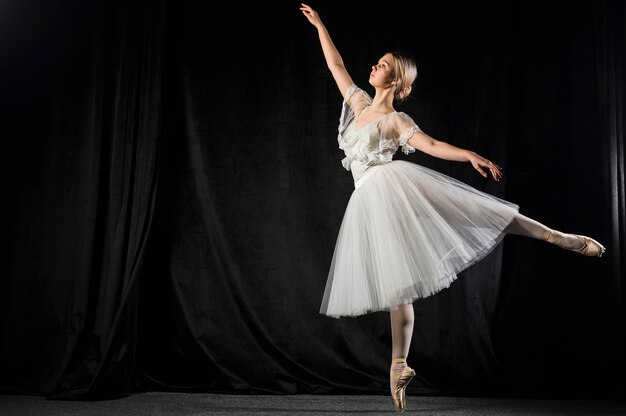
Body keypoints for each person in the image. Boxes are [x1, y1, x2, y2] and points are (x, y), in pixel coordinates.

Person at [299, 3, 605, 413]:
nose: (373, 67)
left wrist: (468, 155)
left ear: (397, 80)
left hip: (393, 186)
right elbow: (336, 65)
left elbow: (432, 146)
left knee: (475, 210)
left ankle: (556, 236)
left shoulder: (396, 120)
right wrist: (321, 26)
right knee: (398, 284)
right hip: (368, 198)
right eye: (375, 63)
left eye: (382, 64)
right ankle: (399, 365)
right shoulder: (357, 104)